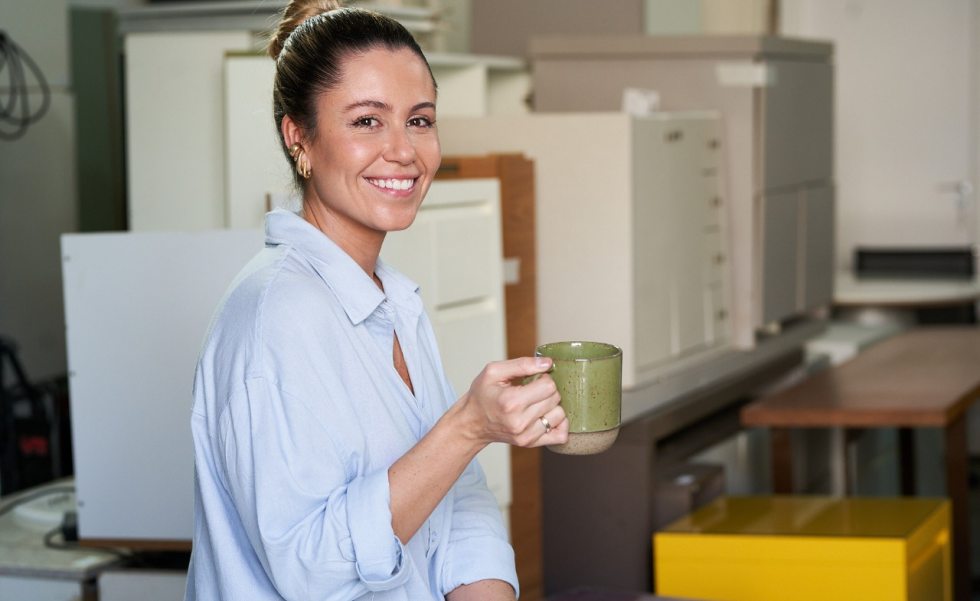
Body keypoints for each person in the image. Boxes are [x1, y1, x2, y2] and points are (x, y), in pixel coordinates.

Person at [184, 2, 568, 600]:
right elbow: (310, 570)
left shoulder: (394, 301)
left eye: (420, 120)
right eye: (367, 121)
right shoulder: (275, 318)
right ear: (299, 137)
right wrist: (468, 426)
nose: (404, 151)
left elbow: (457, 503)